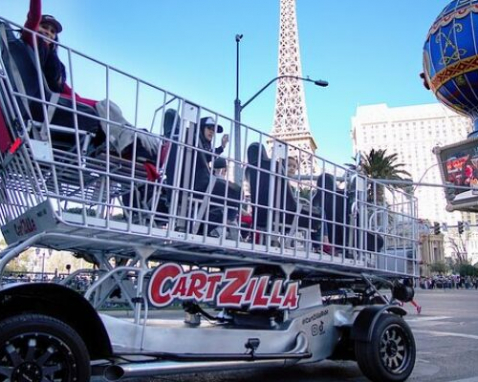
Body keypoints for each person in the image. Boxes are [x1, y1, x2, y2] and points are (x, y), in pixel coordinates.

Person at [22, 0, 97, 107]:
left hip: (51, 98)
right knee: (104, 108)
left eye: (53, 32)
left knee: (102, 107)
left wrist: (81, 102)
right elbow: (34, 16)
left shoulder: (53, 62)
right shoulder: (30, 40)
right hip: (39, 97)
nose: (48, 33)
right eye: (44, 27)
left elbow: (67, 90)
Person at [194, 117, 242, 237]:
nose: (212, 132)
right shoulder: (196, 142)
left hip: (202, 182)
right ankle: (225, 223)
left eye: (213, 130)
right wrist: (221, 148)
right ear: (201, 128)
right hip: (200, 183)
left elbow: (208, 155)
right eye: (209, 128)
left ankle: (213, 225)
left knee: (227, 199)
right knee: (237, 192)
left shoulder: (200, 142)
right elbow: (207, 155)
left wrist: (222, 146)